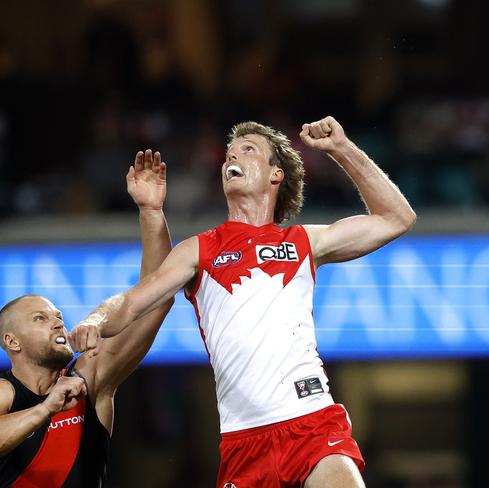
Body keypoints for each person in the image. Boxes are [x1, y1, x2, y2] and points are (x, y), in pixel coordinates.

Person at [75, 116, 416, 487]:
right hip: (243, 444)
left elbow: (396, 218)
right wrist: (94, 321)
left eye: (247, 150)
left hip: (313, 425)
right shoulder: (199, 250)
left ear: (275, 175)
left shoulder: (303, 242)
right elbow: (132, 303)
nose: (230, 159)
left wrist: (342, 149)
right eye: (228, 154)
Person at [0, 150, 173, 487]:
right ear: (10, 341)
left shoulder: (90, 377)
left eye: (58, 316)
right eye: (40, 319)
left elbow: (158, 297)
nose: (57, 322)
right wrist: (46, 410)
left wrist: (151, 210)